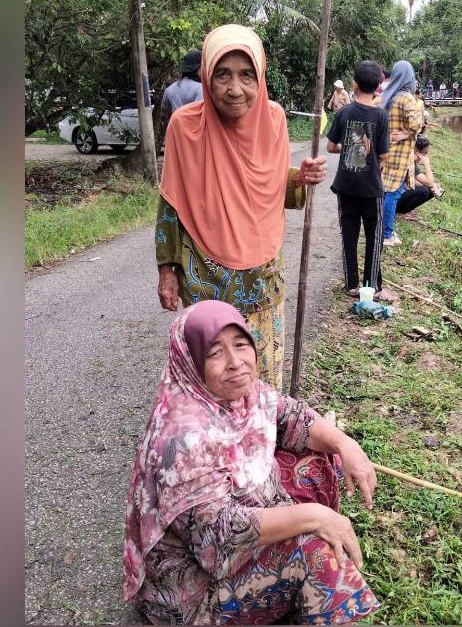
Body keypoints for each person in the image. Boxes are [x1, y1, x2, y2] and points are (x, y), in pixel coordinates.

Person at [124, 300, 381, 625]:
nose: (236, 363)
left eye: (241, 345)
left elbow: (293, 418)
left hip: (229, 547)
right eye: (215, 353)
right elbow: (219, 535)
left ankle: (295, 584)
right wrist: (315, 516)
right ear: (190, 362)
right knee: (316, 551)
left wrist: (347, 445)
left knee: (320, 459)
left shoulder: (247, 395)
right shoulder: (182, 436)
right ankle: (305, 580)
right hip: (197, 592)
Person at [154, 24, 327, 389]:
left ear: (260, 77)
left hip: (263, 276)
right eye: (223, 75)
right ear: (206, 77)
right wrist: (167, 271)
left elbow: (270, 186)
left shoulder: (274, 119)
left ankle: (261, 438)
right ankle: (219, 445)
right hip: (206, 275)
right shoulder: (184, 127)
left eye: (246, 75)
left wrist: (300, 178)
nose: (235, 89)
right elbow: (171, 202)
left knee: (262, 374)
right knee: (213, 375)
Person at [326, 60, 390, 298]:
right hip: (371, 188)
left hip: (345, 186)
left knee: (349, 235)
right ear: (378, 87)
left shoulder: (344, 112)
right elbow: (383, 154)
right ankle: (371, 285)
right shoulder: (381, 116)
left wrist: (350, 146)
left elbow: (331, 147)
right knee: (374, 237)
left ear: (354, 84)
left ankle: (351, 285)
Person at [379, 60, 424, 248]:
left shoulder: (389, 96)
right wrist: (409, 132)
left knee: (387, 190)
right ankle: (386, 234)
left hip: (388, 150)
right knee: (393, 192)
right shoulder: (407, 98)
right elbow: (417, 124)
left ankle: (384, 228)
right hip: (401, 154)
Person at [154, 50, 203, 154]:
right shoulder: (200, 89)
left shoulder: (170, 89)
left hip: (175, 135)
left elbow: (164, 112)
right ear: (198, 68)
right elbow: (201, 115)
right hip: (194, 138)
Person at [396, 136, 442, 220]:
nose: (426, 156)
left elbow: (414, 181)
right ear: (417, 153)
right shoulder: (409, 162)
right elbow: (429, 183)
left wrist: (433, 186)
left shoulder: (411, 160)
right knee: (424, 191)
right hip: (392, 197)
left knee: (431, 190)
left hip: (399, 191)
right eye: (425, 153)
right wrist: (427, 165)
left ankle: (404, 210)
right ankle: (400, 212)